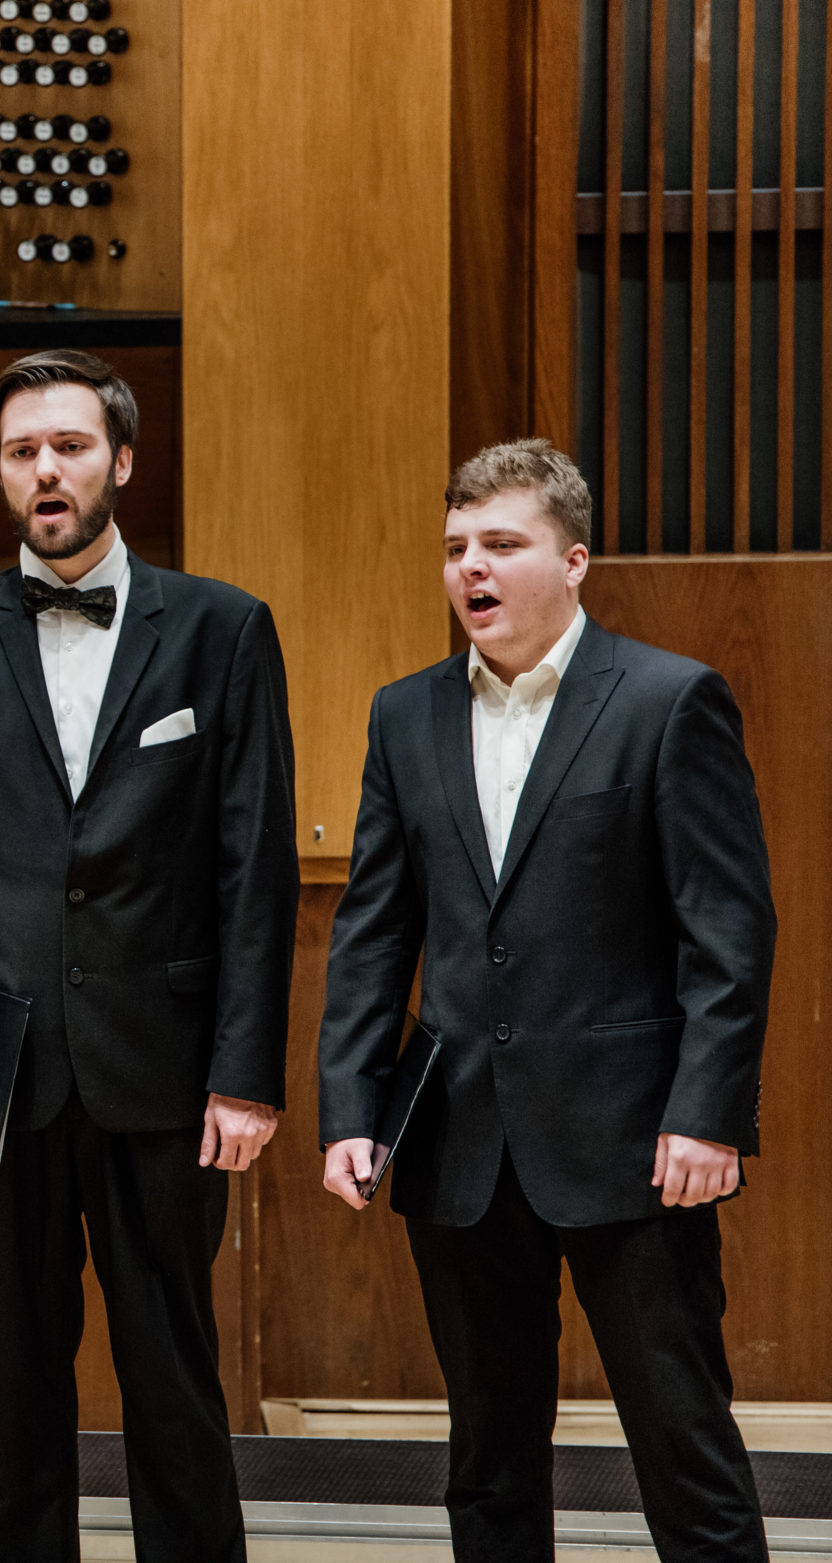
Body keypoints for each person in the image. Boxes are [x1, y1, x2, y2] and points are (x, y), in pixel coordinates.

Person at [0, 349, 299, 1563]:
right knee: (15, 1378)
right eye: (21, 452)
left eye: (66, 446)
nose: (44, 470)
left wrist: (245, 1075)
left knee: (172, 1368)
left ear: (121, 460)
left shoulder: (221, 629)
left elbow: (254, 870)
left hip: (162, 1065)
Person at [320, 440, 775, 1562]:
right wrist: (350, 1109)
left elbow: (726, 933)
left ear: (573, 561)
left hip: (633, 1140)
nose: (470, 567)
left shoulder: (667, 699)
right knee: (487, 1463)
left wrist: (708, 1113)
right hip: (458, 1140)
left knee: (684, 1448)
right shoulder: (404, 714)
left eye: (500, 544)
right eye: (455, 548)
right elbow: (374, 928)